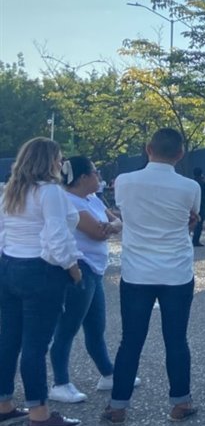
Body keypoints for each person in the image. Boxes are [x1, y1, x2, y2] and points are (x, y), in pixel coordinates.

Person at [101, 129, 201, 424]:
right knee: (176, 339)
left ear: (148, 148)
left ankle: (118, 405)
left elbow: (128, 214)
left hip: (136, 272)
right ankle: (180, 402)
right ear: (180, 154)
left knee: (130, 339)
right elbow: (191, 218)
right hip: (177, 272)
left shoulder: (125, 182)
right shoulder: (190, 186)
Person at [0, 137, 84, 426]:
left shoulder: (10, 191)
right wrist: (73, 269)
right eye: (60, 159)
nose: (62, 164)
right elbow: (56, 238)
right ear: (50, 161)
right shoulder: (50, 193)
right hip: (41, 270)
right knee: (36, 344)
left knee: (9, 339)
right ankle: (38, 412)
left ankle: (4, 404)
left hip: (9, 266)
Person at [49, 156, 133, 404]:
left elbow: (114, 220)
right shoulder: (68, 200)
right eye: (95, 173)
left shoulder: (91, 198)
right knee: (67, 327)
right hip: (78, 267)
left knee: (96, 326)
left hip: (95, 269)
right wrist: (109, 227)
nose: (99, 177)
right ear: (83, 177)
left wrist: (111, 225)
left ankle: (108, 373)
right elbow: (97, 232)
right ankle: (60, 382)